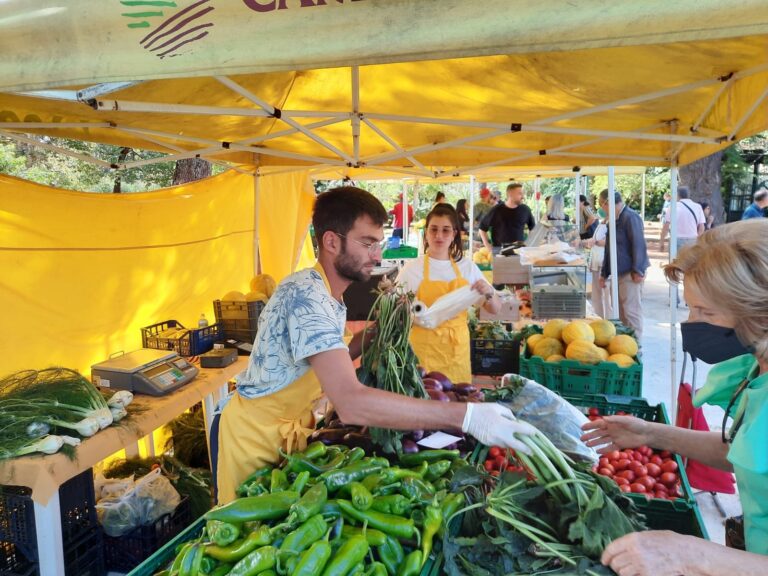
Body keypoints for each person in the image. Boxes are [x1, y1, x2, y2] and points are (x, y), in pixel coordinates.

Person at [216, 186, 534, 503]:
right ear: (330, 241)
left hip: (288, 433)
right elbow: (351, 402)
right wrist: (465, 417)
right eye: (368, 243)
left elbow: (336, 352)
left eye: (378, 244)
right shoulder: (307, 298)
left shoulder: (326, 294)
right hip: (255, 443)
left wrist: (382, 328)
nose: (378, 256)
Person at [582, 219, 768, 575]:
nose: (692, 322)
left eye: (705, 312)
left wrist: (693, 554)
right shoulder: (755, 365)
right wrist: (650, 434)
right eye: (690, 308)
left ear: (759, 314)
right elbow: (744, 454)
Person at [398, 204, 501, 383]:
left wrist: (489, 292)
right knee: (424, 400)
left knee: (456, 398)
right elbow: (394, 309)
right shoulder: (412, 269)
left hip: (456, 351)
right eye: (434, 229)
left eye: (445, 230)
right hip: (423, 352)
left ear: (454, 234)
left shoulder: (467, 267)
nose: (439, 235)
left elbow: (495, 309)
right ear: (426, 233)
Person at [598, 189, 649, 340]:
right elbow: (609, 247)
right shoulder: (614, 219)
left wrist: (638, 270)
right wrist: (604, 272)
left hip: (629, 273)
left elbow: (638, 244)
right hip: (617, 273)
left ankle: (636, 347)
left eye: (602, 205)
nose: (602, 209)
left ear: (607, 203)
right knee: (620, 313)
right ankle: (626, 344)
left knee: (632, 312)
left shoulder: (630, 217)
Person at [479, 182, 536, 252]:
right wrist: (487, 245)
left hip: (519, 251)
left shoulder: (525, 209)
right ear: (510, 194)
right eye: (520, 193)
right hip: (499, 251)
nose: (523, 196)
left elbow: (533, 229)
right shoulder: (496, 210)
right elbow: (482, 228)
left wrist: (529, 245)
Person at [583, 208, 612, 318]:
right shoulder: (602, 222)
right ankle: (598, 317)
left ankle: (609, 320)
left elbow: (608, 241)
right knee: (596, 295)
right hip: (596, 260)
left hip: (604, 262)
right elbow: (594, 239)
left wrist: (597, 242)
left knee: (607, 296)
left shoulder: (613, 223)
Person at [659, 186, 706, 253]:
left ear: (677, 195)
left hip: (676, 241)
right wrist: (696, 240)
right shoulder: (698, 207)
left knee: (675, 262)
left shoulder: (673, 206)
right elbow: (701, 227)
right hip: (692, 240)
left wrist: (662, 241)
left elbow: (666, 226)